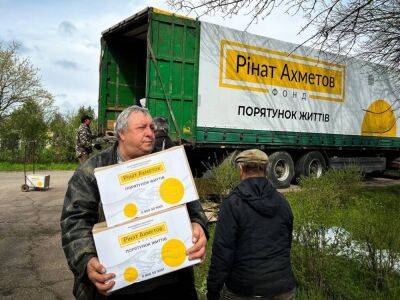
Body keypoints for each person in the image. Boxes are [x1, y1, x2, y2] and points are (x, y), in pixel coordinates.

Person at [61, 105, 207, 299]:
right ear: (121, 133)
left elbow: (193, 208)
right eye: (142, 128)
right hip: (118, 285)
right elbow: (75, 222)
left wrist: (198, 226)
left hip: (172, 283)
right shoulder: (91, 172)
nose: (150, 134)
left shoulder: (169, 164)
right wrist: (87, 260)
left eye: (152, 128)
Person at [207, 149, 296, 300]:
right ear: (266, 170)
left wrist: (213, 290)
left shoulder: (232, 204)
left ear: (241, 169)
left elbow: (222, 253)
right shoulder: (282, 202)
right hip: (283, 288)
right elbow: (286, 243)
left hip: (245, 289)